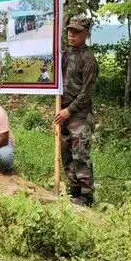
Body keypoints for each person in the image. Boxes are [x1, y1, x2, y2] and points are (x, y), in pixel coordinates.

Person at [55, 16, 99, 207]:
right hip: (63, 111)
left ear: (86, 34)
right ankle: (74, 190)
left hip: (79, 114)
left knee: (80, 153)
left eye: (76, 32)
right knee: (66, 152)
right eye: (69, 31)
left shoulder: (88, 59)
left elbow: (87, 92)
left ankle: (86, 195)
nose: (71, 35)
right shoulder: (65, 54)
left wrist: (69, 111)